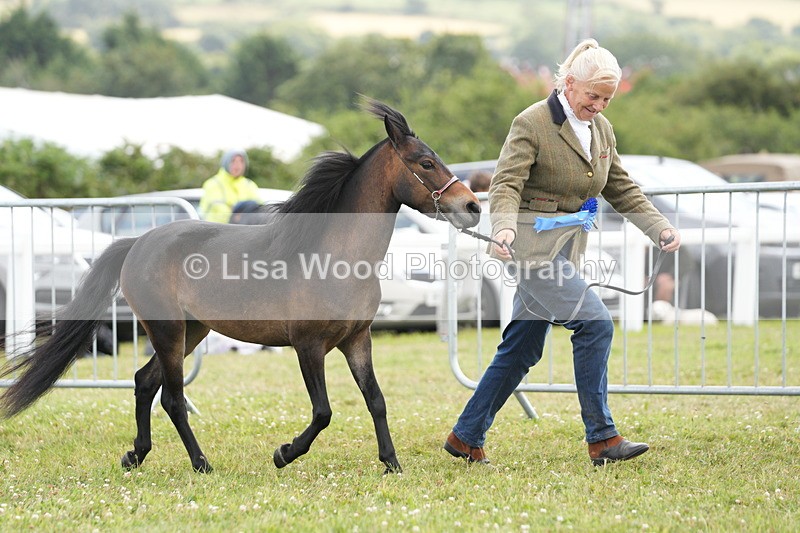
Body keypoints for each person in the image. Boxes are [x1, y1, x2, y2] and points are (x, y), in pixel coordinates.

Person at [444, 39, 681, 466]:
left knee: (521, 349)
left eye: (607, 98)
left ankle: (465, 435)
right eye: (593, 95)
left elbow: (621, 187)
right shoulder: (532, 122)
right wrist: (502, 229)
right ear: (569, 84)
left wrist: (658, 227)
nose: (601, 105)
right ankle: (603, 439)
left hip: (567, 252)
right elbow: (507, 184)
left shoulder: (602, 129)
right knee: (595, 324)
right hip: (532, 252)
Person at [199, 149, 261, 223]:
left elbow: (259, 208)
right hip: (216, 231)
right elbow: (219, 210)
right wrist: (236, 216)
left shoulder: (250, 185)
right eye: (233, 161)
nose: (237, 165)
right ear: (226, 163)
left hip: (242, 231)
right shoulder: (213, 183)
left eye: (241, 161)